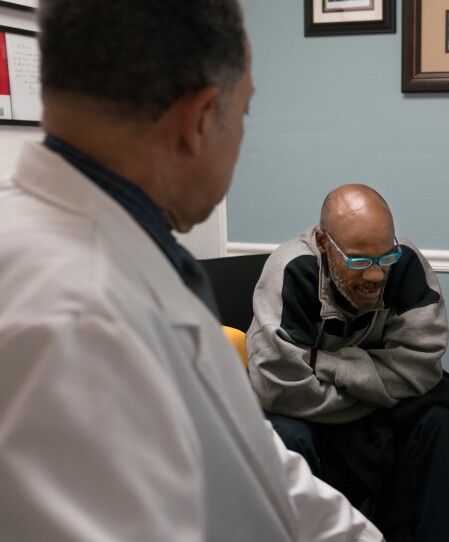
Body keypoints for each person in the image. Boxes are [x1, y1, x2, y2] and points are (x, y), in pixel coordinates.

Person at [0, 1, 383, 541]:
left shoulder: (120, 256)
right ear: (200, 121)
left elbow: (256, 464)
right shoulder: (75, 320)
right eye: (244, 111)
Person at [248, 184, 449, 542]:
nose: (375, 275)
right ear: (325, 244)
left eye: (384, 258)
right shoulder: (291, 269)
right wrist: (373, 387)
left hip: (354, 401)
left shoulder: (405, 263)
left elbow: (420, 366)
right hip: (314, 412)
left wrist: (325, 363)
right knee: (288, 436)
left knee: (439, 411)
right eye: (358, 261)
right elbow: (277, 383)